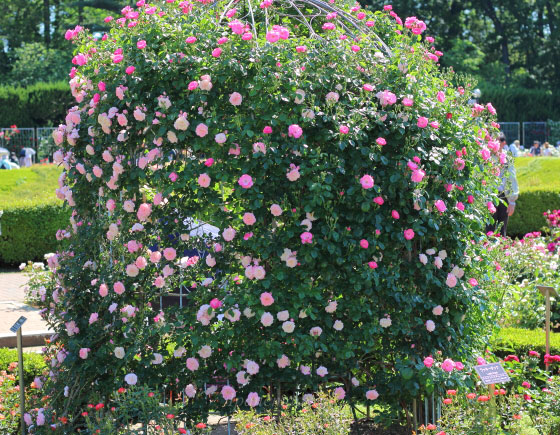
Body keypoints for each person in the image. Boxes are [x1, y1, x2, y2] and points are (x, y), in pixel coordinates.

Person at [486, 133, 519, 237]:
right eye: (492, 141)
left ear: (503, 143)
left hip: (503, 196)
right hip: (489, 196)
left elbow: (511, 178)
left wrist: (512, 202)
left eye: (497, 141)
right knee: (489, 230)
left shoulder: (507, 158)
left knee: (502, 230)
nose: (493, 143)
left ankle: (502, 251)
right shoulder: (485, 156)